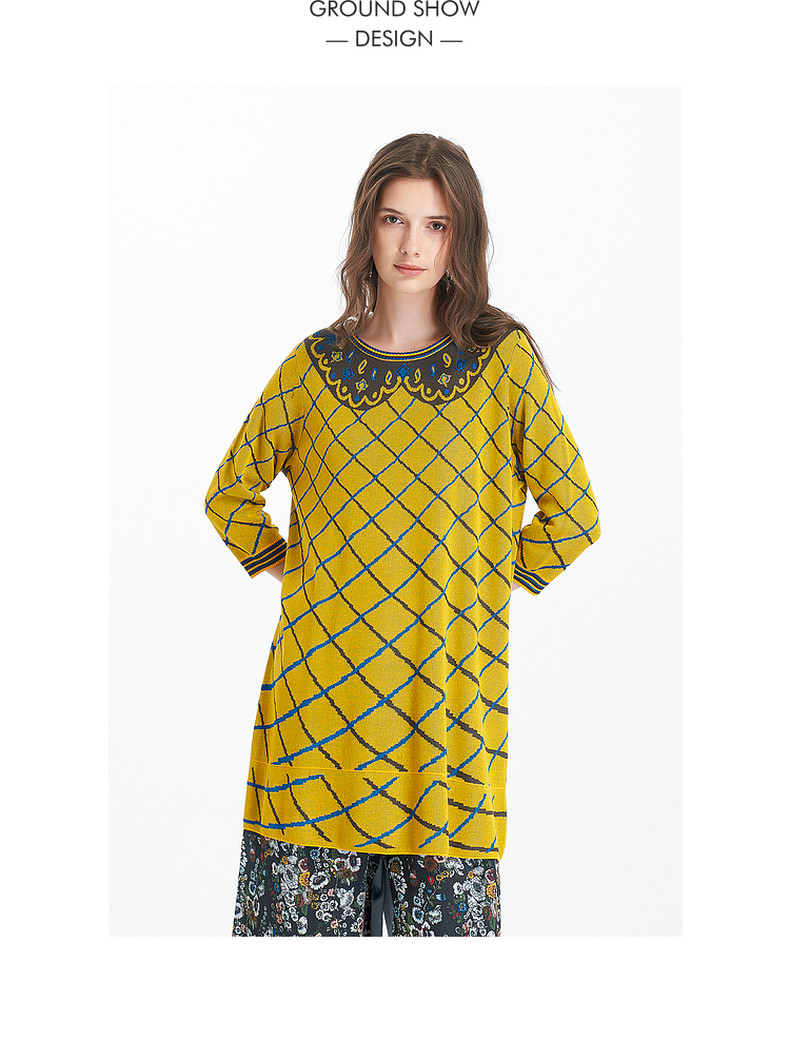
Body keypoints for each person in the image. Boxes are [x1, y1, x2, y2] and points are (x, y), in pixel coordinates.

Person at [204, 133, 601, 937]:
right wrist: (303, 575)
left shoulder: (502, 365)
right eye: (394, 219)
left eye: (435, 224)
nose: (412, 244)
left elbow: (575, 515)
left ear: (462, 237)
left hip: (446, 735)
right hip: (313, 734)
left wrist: (473, 588)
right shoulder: (313, 369)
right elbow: (229, 495)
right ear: (367, 229)